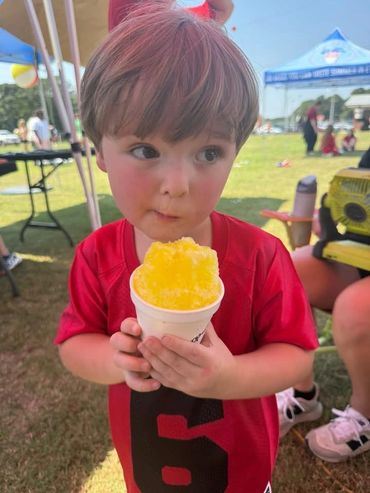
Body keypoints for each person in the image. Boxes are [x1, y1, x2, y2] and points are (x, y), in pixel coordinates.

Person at [55, 5, 317, 492]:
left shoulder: (261, 256)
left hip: (239, 474)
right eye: (146, 150)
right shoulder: (97, 257)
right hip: (149, 471)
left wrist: (229, 377)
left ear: (235, 151)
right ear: (100, 154)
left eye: (209, 152)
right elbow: (74, 343)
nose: (178, 184)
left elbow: (297, 358)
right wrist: (118, 361)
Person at [277, 245, 370, 462]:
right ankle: (303, 395)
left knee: (355, 308)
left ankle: (365, 414)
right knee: (289, 271)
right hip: (361, 252)